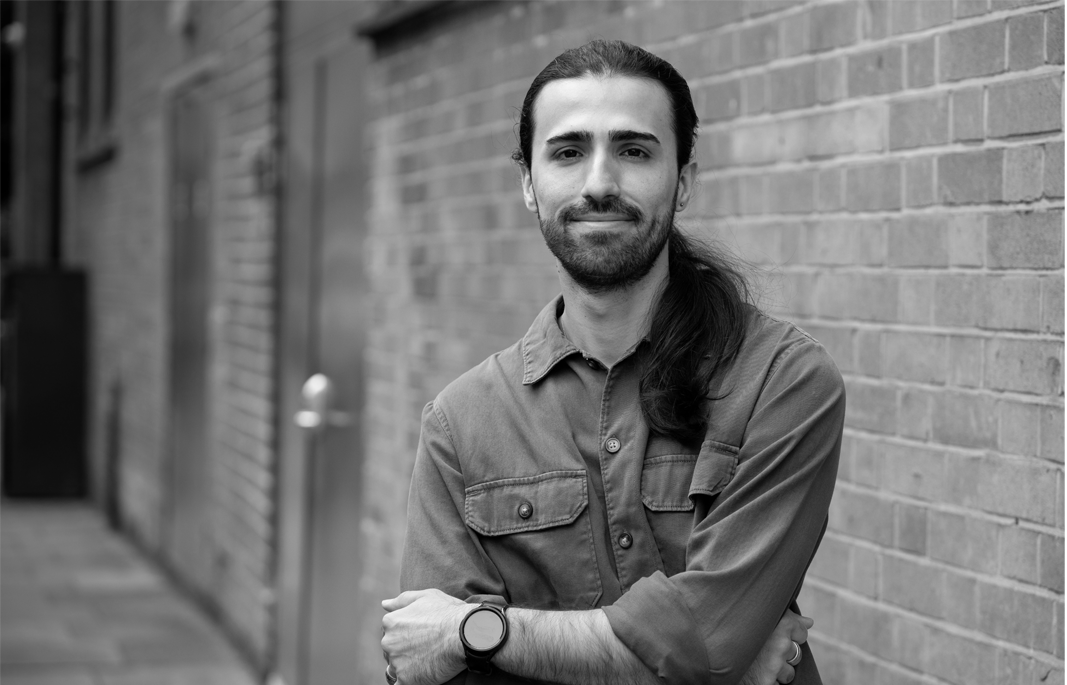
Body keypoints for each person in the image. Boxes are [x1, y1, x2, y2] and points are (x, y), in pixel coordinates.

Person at [381, 39, 845, 685]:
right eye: (568, 152)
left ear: (681, 180)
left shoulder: (780, 380)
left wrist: (479, 633)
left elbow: (702, 641)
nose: (598, 183)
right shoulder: (461, 422)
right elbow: (434, 671)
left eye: (633, 150)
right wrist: (698, 663)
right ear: (527, 183)